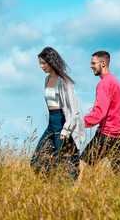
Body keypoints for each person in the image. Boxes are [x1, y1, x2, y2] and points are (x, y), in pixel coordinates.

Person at [30, 47, 86, 180]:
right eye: (40, 63)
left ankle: (68, 191)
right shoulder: (46, 80)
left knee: (66, 163)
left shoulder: (64, 82)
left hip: (63, 123)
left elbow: (72, 108)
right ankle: (52, 184)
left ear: (51, 61)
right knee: (36, 161)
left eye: (44, 63)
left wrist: (66, 130)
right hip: (51, 123)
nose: (41, 66)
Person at [78, 50, 120, 181]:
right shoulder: (116, 82)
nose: (91, 66)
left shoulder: (104, 84)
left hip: (107, 134)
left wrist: (79, 122)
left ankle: (74, 194)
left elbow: (99, 112)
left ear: (103, 63)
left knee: (82, 164)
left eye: (93, 63)